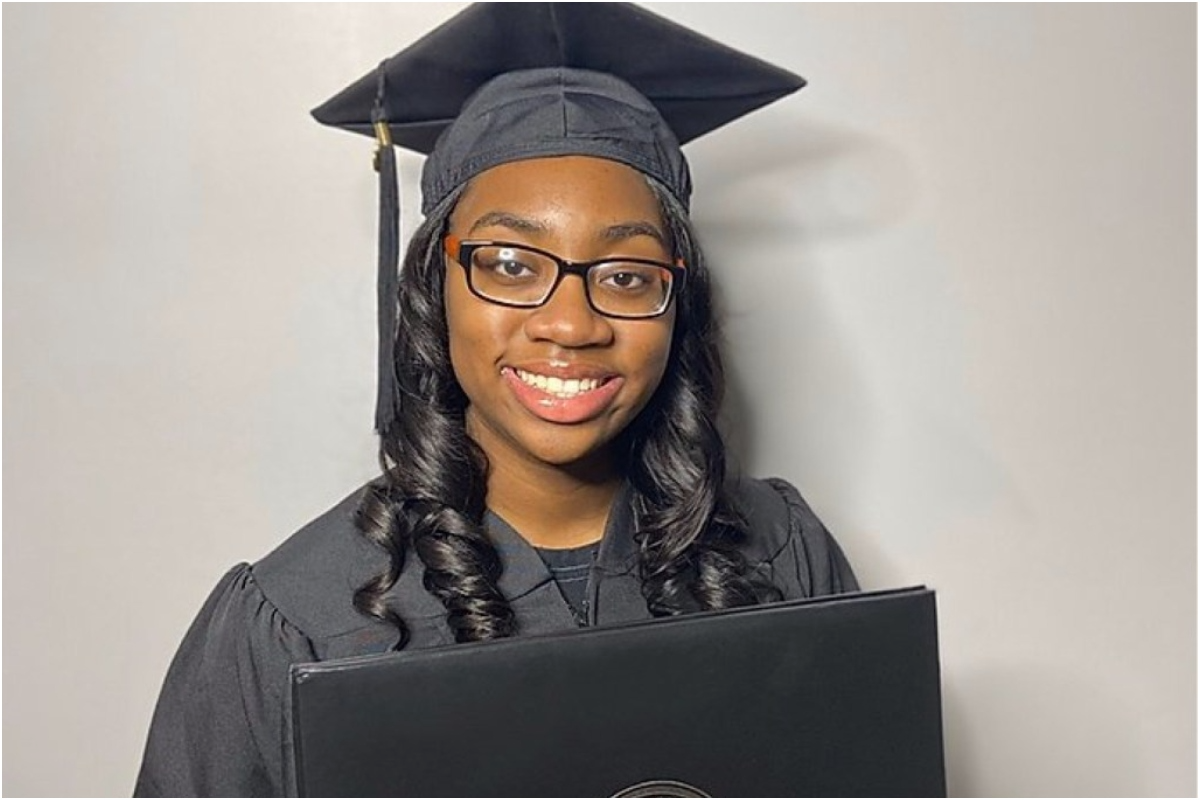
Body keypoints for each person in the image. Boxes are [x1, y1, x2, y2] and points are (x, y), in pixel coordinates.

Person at [135, 4, 858, 796]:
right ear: (432, 291)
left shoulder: (782, 551)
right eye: (510, 263)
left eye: (625, 275)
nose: (571, 324)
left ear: (677, 304)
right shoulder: (293, 619)